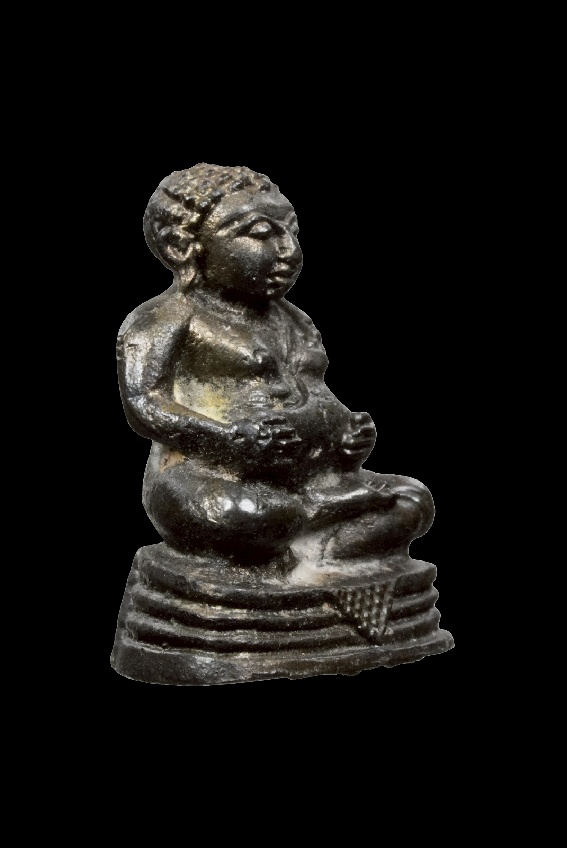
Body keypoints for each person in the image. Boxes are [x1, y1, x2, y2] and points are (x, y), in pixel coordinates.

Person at [117, 164, 434, 566]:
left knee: (412, 500)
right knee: (244, 515)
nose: (288, 251)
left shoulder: (294, 320)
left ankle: (319, 553)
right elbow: (145, 405)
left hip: (308, 474)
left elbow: (313, 386)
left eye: (292, 232)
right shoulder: (165, 320)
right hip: (211, 478)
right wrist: (228, 436)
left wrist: (345, 433)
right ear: (181, 244)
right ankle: (310, 531)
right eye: (260, 233)